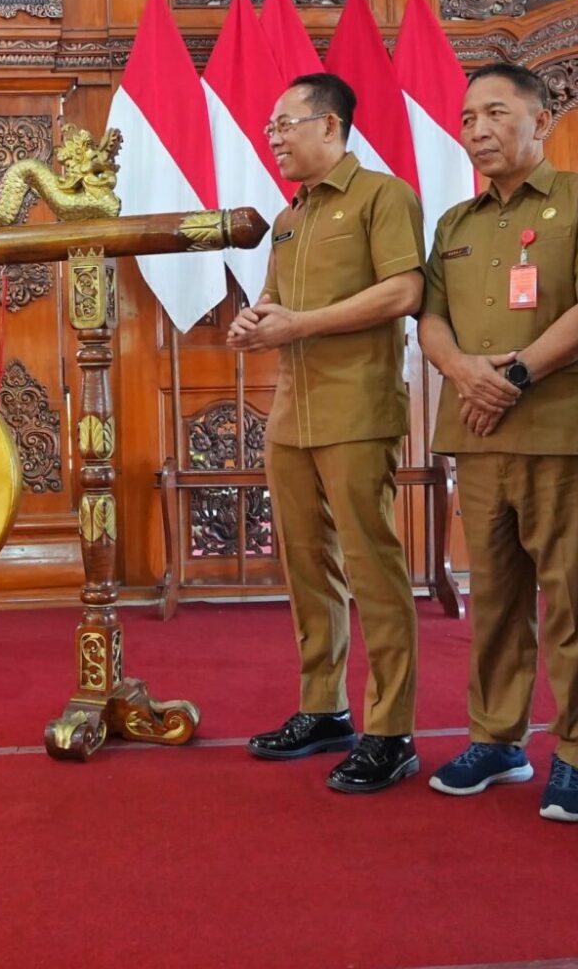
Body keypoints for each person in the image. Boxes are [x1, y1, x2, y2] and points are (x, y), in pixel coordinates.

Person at [417, 62, 578, 822]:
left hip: (559, 432)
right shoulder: (455, 223)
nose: (477, 130)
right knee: (496, 600)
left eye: (496, 113)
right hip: (476, 437)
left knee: (574, 600)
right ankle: (498, 739)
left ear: (542, 120)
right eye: (468, 117)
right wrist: (463, 374)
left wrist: (516, 375)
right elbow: (430, 319)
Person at [229, 72, 427, 794]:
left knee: (372, 568)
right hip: (292, 413)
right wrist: (255, 317)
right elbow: (278, 298)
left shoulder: (384, 197)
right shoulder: (291, 216)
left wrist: (300, 324)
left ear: (331, 126)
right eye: (270, 127)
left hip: (356, 409)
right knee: (308, 567)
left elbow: (404, 291)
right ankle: (325, 708)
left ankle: (391, 729)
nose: (274, 137)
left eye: (285, 124)